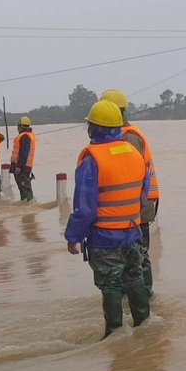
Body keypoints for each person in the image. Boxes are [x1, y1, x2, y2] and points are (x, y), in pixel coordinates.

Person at [65, 100, 151, 339]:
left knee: (111, 286)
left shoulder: (92, 158)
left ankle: (114, 336)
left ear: (95, 127)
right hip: (133, 232)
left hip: (104, 238)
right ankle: (145, 326)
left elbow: (84, 207)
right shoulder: (134, 153)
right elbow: (142, 195)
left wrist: (73, 237)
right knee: (135, 279)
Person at [100, 89, 160, 298]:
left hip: (139, 203)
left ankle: (146, 294)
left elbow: (130, 174)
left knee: (139, 253)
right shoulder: (124, 135)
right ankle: (137, 296)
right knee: (133, 253)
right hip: (135, 202)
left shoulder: (129, 137)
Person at [9, 116, 36, 202]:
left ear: (21, 127)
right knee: (24, 188)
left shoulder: (25, 137)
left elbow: (23, 154)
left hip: (22, 167)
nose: (17, 128)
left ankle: (28, 204)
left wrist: (19, 166)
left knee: (25, 188)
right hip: (26, 166)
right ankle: (25, 204)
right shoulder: (27, 136)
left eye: (18, 126)